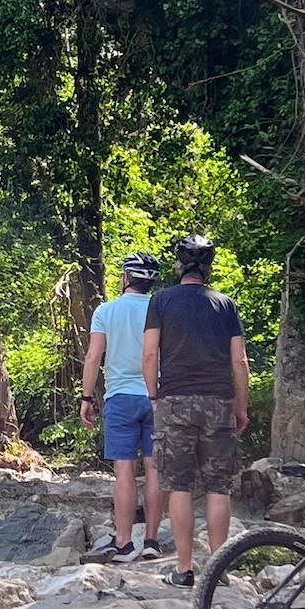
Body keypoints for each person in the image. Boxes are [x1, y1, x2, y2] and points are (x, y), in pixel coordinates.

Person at [142, 234, 247, 588]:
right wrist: (241, 406)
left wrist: (155, 396)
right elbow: (240, 362)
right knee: (219, 486)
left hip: (174, 400)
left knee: (180, 485)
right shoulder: (226, 304)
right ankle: (218, 572)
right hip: (219, 401)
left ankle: (185, 570)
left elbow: (149, 354)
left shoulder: (161, 300)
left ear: (179, 265)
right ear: (208, 268)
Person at [80, 252, 165, 561]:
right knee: (155, 468)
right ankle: (153, 541)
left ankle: (125, 543)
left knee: (124, 471)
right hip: (158, 397)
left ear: (126, 278)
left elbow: (93, 357)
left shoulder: (106, 310)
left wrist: (86, 398)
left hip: (119, 398)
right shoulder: (161, 308)